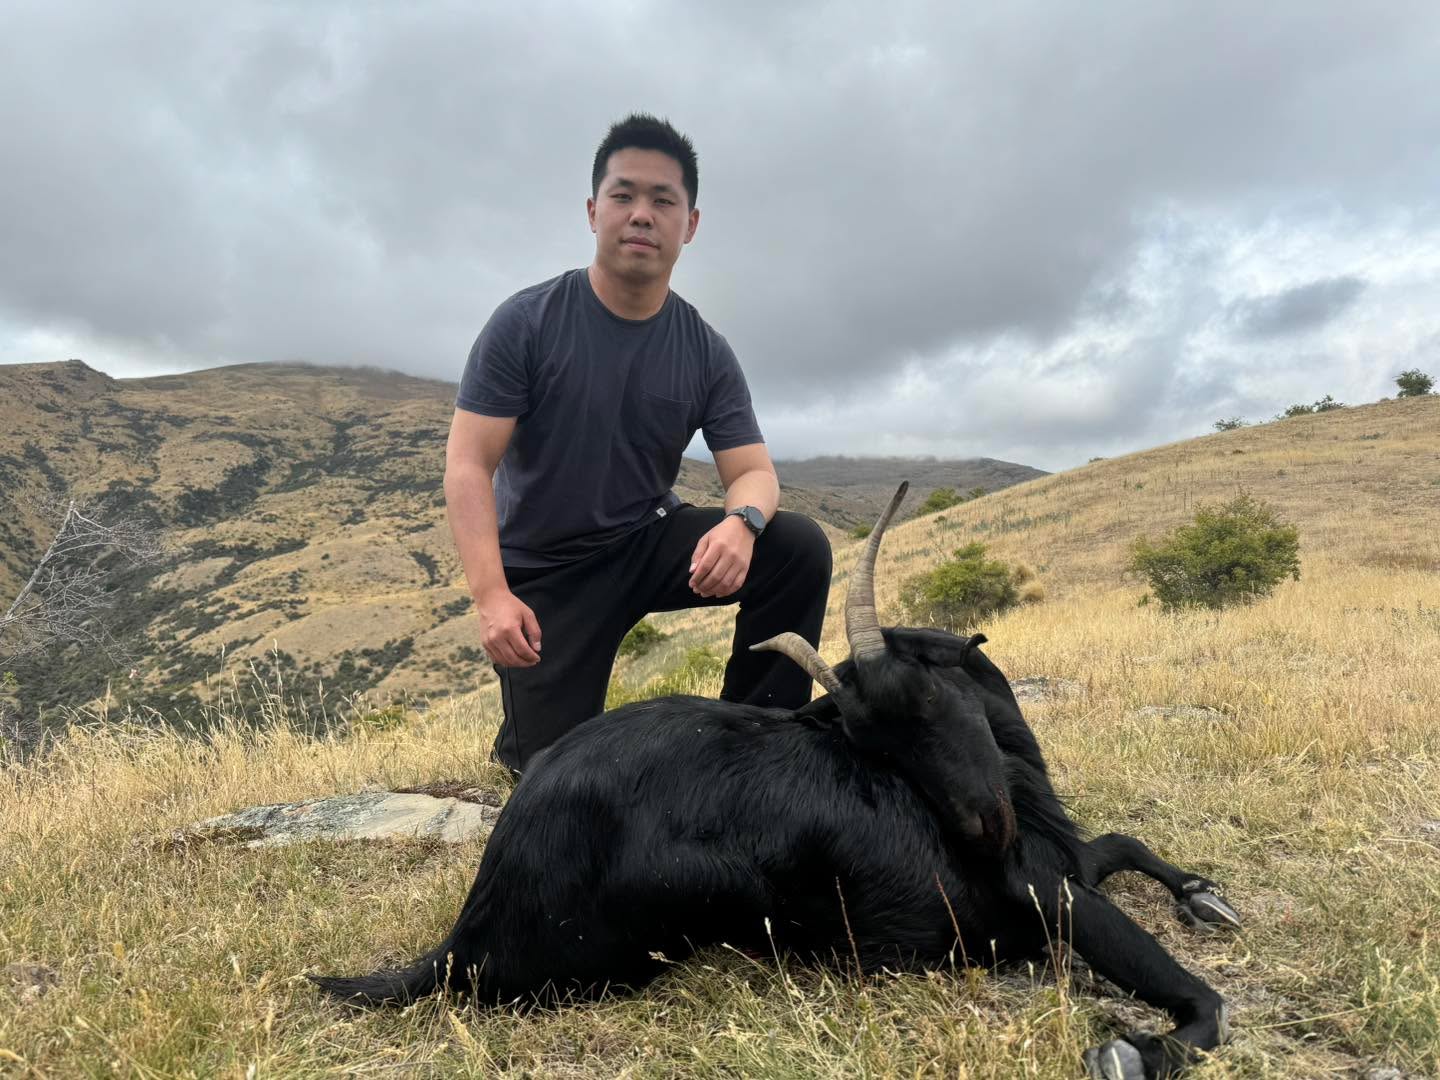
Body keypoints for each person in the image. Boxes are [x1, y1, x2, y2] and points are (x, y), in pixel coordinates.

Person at [444, 113, 832, 775]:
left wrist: (742, 524)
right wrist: (492, 597)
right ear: (594, 212)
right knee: (556, 777)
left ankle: (758, 749)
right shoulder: (526, 324)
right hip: (549, 571)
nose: (642, 215)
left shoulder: (704, 350)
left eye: (663, 200)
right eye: (624, 196)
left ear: (691, 223)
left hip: (647, 540)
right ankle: (530, 739)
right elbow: (467, 465)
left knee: (795, 547)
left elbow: (755, 472)